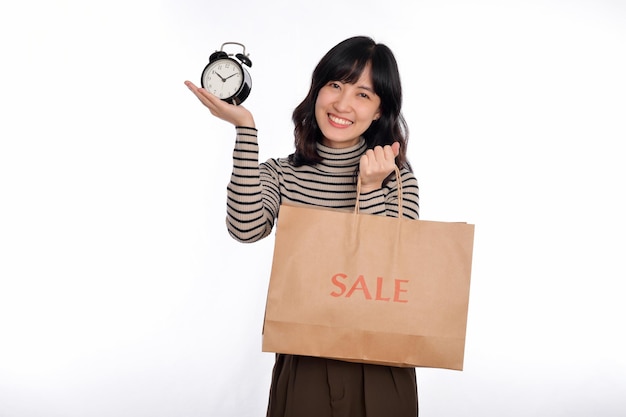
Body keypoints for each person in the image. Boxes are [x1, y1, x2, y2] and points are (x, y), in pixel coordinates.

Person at [185, 35, 420, 417]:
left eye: (363, 94)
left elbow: (396, 265)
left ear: (379, 111)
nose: (342, 104)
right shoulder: (283, 174)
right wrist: (245, 129)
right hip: (304, 353)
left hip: (381, 362)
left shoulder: (397, 175)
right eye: (335, 85)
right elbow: (245, 229)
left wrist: (372, 188)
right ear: (318, 90)